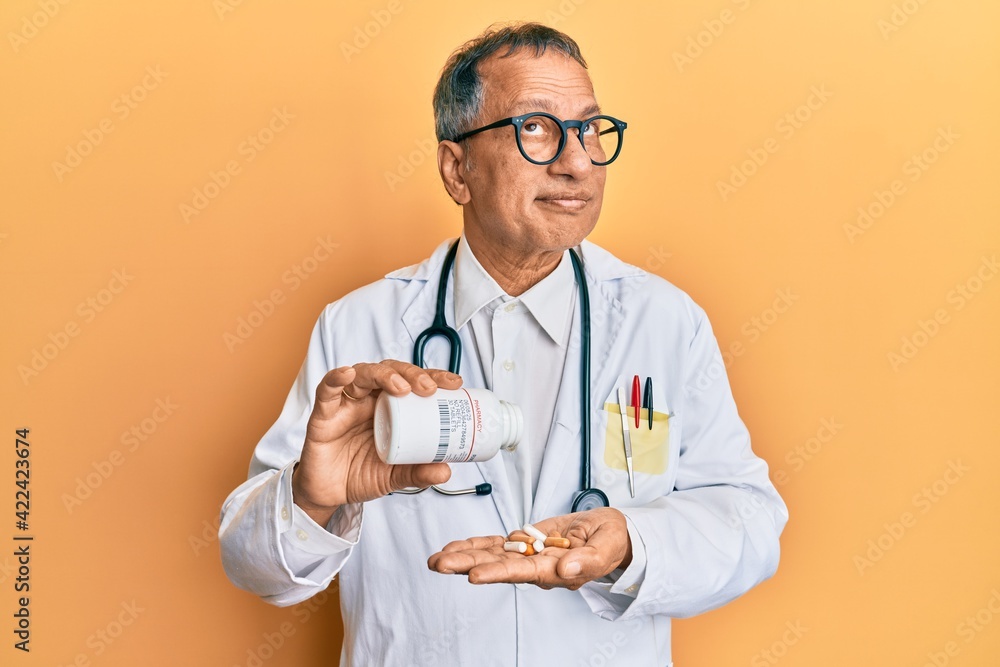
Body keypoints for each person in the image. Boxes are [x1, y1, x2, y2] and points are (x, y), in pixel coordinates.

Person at [220, 22, 788, 666]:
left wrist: (632, 540)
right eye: (537, 129)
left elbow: (751, 524)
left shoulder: (663, 320)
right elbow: (256, 570)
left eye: (590, 130)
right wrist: (311, 498)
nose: (577, 162)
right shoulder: (360, 329)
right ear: (456, 169)